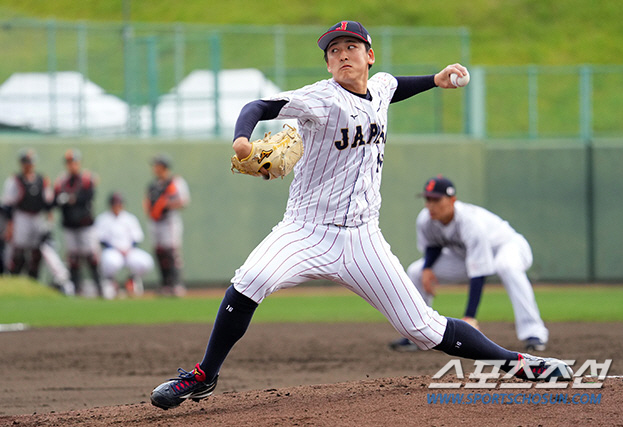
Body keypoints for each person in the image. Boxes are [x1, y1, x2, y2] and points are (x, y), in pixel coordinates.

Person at [150, 21, 572, 410]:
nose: (342, 55)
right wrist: (243, 139)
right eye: (333, 51)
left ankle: (518, 363)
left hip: (362, 239)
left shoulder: (382, 86)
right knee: (251, 280)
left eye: (351, 46)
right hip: (305, 230)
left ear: (370, 55)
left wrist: (436, 80)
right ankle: (204, 376)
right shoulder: (320, 98)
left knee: (423, 329)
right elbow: (258, 105)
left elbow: (395, 86)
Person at [388, 176, 549, 353]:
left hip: (507, 247)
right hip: (465, 257)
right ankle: (418, 334)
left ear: (452, 200)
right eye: (428, 199)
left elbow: (478, 274)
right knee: (416, 271)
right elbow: (434, 245)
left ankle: (534, 333)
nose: (430, 205)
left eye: (436, 199)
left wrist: (469, 317)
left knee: (506, 266)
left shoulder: (470, 222)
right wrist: (427, 268)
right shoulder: (425, 219)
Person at [53, 149, 102, 297]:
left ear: (78, 163)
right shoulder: (62, 181)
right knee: (73, 258)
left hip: (85, 224)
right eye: (69, 162)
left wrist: (71, 199)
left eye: (74, 162)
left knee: (91, 256)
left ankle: (99, 288)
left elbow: (88, 196)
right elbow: (55, 201)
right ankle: (76, 289)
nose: (72, 165)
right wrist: (68, 199)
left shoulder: (86, 179)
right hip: (70, 225)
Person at [1, 148, 54, 280]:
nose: (28, 165)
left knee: (37, 250)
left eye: (30, 162)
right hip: (21, 216)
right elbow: (7, 205)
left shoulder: (42, 180)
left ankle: (33, 278)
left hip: (37, 217)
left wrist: (49, 218)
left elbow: (48, 202)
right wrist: (9, 225)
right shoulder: (15, 180)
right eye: (25, 162)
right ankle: (14, 277)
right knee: (18, 251)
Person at [143, 154, 190, 297]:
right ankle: (165, 284)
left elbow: (184, 201)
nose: (154, 168)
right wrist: (152, 210)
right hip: (156, 222)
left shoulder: (175, 182)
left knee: (171, 252)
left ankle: (177, 285)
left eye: (157, 165)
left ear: (163, 167)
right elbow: (146, 201)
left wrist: (166, 204)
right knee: (159, 252)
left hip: (169, 221)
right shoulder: (154, 184)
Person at [94, 192, 154, 299]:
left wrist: (128, 249)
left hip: (129, 250)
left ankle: (132, 279)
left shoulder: (130, 218)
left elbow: (137, 237)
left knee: (146, 262)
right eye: (114, 204)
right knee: (110, 262)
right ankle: (111, 282)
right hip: (112, 250)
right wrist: (116, 248)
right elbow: (100, 239)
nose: (117, 206)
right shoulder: (103, 219)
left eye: (119, 204)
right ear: (110, 205)